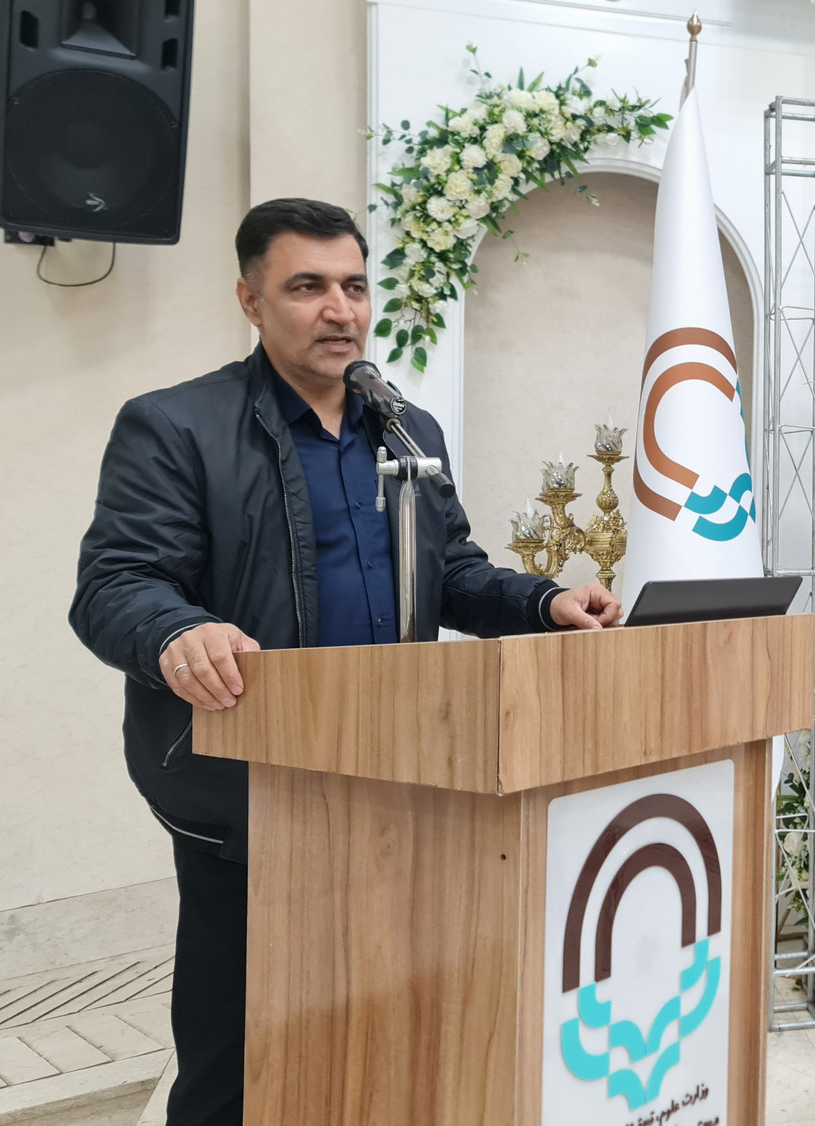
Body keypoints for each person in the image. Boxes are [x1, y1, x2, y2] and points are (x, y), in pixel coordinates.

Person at [68, 198, 621, 1126]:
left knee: (383, 1023)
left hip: (401, 774)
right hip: (251, 783)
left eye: (355, 287)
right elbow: (116, 584)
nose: (340, 310)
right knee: (240, 1045)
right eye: (307, 287)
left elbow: (450, 573)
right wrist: (177, 633)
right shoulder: (176, 426)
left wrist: (542, 602)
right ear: (250, 301)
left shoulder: (406, 432)